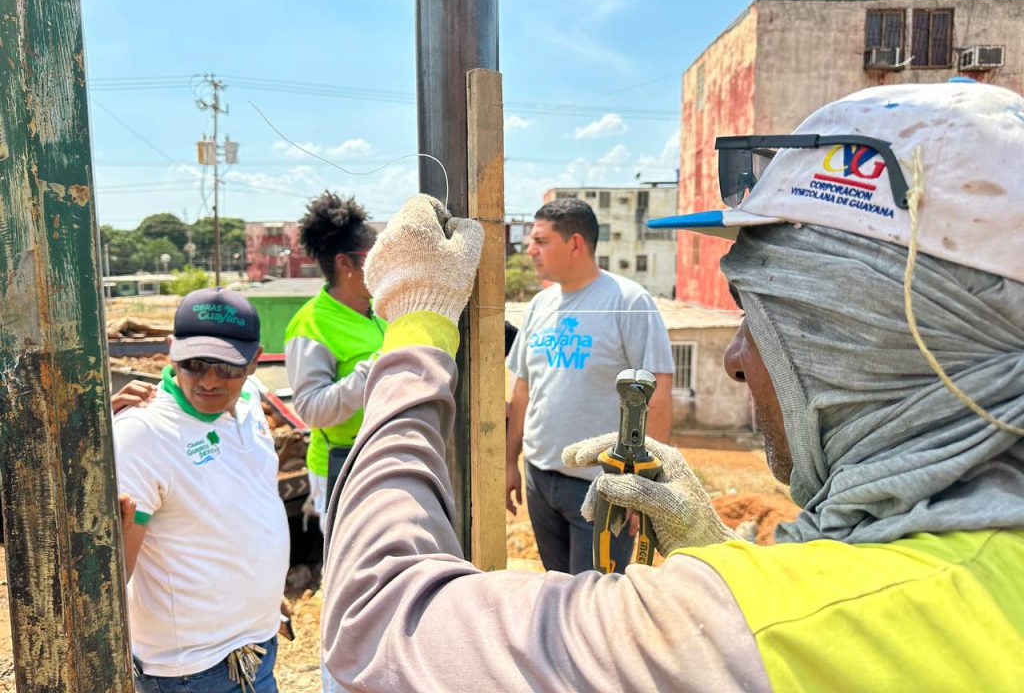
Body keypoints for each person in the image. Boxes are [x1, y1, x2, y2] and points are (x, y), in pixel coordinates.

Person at [321, 81, 1024, 692]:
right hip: (546, 472)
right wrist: (720, 553)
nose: (736, 357)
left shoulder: (755, 633)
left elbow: (375, 629)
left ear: (862, 341)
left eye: (761, 316)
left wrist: (416, 324)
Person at [114, 287, 289, 691]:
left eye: (226, 367)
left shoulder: (249, 402)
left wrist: (259, 590)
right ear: (171, 351)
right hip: (191, 672)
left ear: (254, 361)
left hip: (256, 647)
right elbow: (113, 574)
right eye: (194, 364)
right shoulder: (144, 433)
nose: (209, 381)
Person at [505, 197, 673, 574]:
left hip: (602, 488)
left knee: (596, 602)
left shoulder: (628, 302)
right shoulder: (539, 305)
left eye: (541, 241)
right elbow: (522, 390)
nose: (530, 250)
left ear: (575, 244)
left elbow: (657, 394)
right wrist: (508, 462)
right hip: (539, 479)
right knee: (558, 588)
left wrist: (647, 486)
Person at [283, 192, 385, 534]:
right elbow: (311, 409)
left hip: (382, 456)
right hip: (340, 467)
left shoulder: (380, 311)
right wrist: (374, 369)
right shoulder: (311, 324)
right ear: (346, 264)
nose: (384, 264)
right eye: (375, 257)